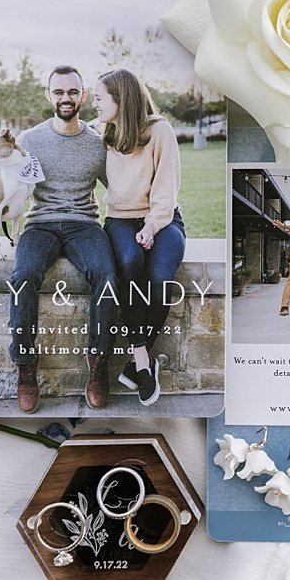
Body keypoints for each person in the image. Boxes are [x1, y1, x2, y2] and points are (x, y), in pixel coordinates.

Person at [9, 65, 115, 414]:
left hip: (84, 224)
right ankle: (26, 366)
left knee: (106, 274)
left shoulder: (98, 142)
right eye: (59, 92)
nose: (65, 98)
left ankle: (98, 365)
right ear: (48, 96)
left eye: (72, 92)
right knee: (23, 276)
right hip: (40, 224)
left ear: (82, 96)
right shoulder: (31, 139)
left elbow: (122, 184)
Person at [96, 68, 185, 405]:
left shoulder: (160, 131)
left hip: (164, 219)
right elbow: (35, 145)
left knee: (161, 277)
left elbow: (166, 187)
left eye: (100, 98)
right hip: (119, 220)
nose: (96, 105)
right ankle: (143, 360)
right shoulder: (102, 132)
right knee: (131, 263)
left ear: (121, 99)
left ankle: (137, 363)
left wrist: (151, 226)